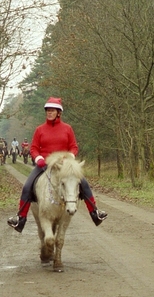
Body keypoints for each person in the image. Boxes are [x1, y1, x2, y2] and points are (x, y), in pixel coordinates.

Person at [7, 97, 108, 232]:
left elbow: (73, 147)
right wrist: (38, 159)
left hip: (64, 165)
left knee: (84, 184)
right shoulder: (39, 129)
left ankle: (95, 213)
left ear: (58, 113)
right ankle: (20, 218)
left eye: (52, 110)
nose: (49, 113)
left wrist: (69, 157)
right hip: (44, 165)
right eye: (47, 110)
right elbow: (34, 148)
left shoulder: (67, 129)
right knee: (27, 186)